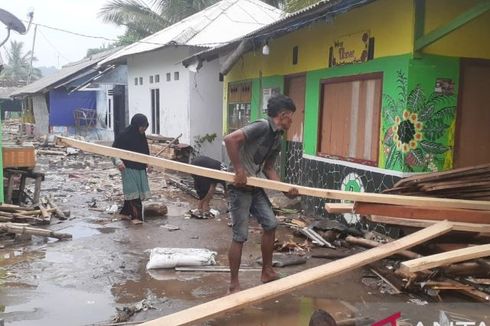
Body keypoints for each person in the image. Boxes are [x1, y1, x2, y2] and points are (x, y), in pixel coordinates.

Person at [224, 94, 299, 293]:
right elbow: (230, 140)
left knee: (271, 224)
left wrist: (284, 189)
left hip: (254, 185)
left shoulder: (277, 137)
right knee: (240, 235)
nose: (292, 120)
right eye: (291, 116)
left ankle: (267, 271)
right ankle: (234, 284)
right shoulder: (262, 126)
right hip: (238, 187)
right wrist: (239, 169)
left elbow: (268, 168)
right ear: (283, 115)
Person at [112, 114, 151, 225]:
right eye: (142, 126)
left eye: (145, 127)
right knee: (134, 193)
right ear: (135, 125)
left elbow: (145, 152)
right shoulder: (123, 135)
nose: (144, 129)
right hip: (128, 168)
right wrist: (118, 161)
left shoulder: (141, 136)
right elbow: (113, 151)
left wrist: (148, 163)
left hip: (140, 168)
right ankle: (136, 217)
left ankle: (125, 212)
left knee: (135, 192)